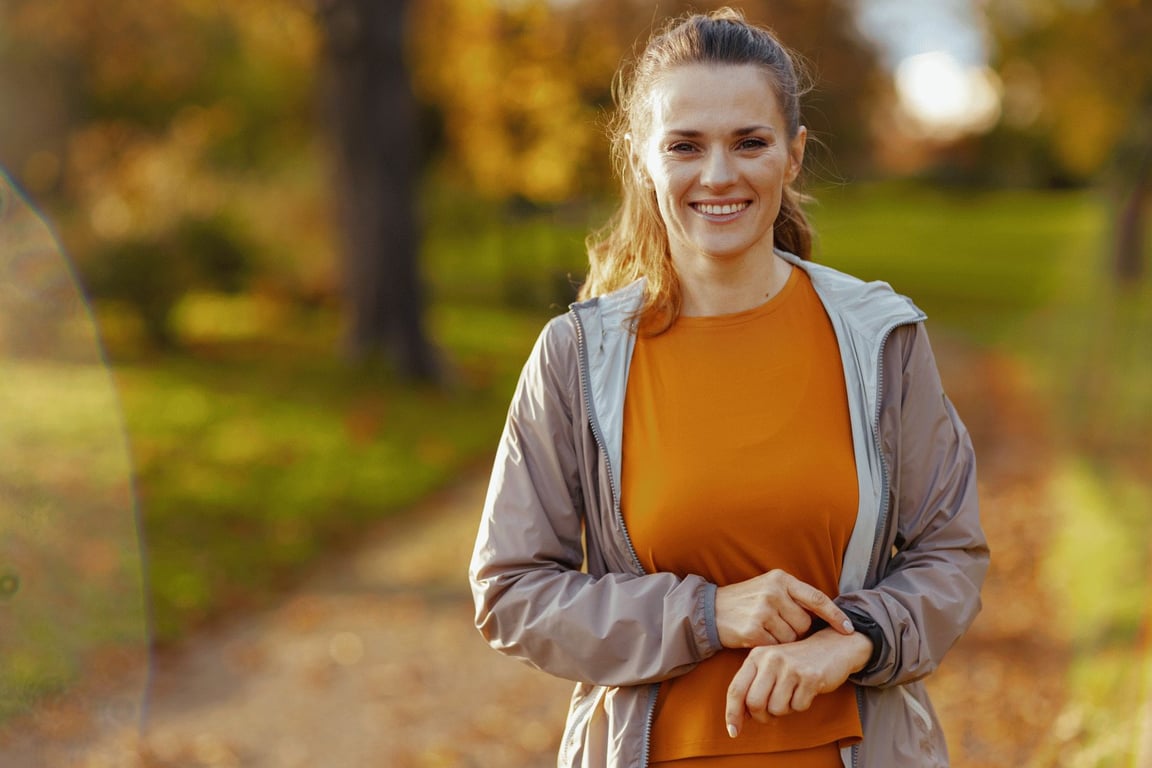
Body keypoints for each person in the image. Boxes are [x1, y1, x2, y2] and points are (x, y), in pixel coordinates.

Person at [469, 8, 988, 768]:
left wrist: (855, 639)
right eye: (685, 145)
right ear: (643, 159)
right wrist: (707, 613)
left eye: (750, 142)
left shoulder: (880, 340)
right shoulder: (576, 358)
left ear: (793, 155)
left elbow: (951, 553)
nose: (718, 175)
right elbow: (511, 591)